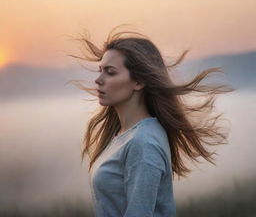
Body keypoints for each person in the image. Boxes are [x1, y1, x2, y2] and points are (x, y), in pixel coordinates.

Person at [67, 25, 234, 217]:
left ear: (138, 82)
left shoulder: (143, 142)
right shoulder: (124, 135)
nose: (98, 79)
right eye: (100, 70)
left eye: (110, 72)